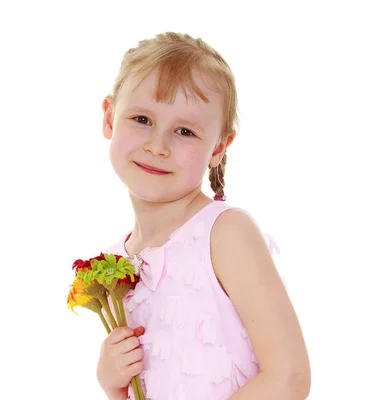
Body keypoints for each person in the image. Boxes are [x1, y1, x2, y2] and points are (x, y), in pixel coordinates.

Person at [95, 32, 310, 400]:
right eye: (142, 118)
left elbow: (288, 377)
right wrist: (112, 383)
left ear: (219, 147)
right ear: (110, 119)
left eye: (184, 131)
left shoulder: (225, 233)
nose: (157, 146)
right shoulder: (117, 263)